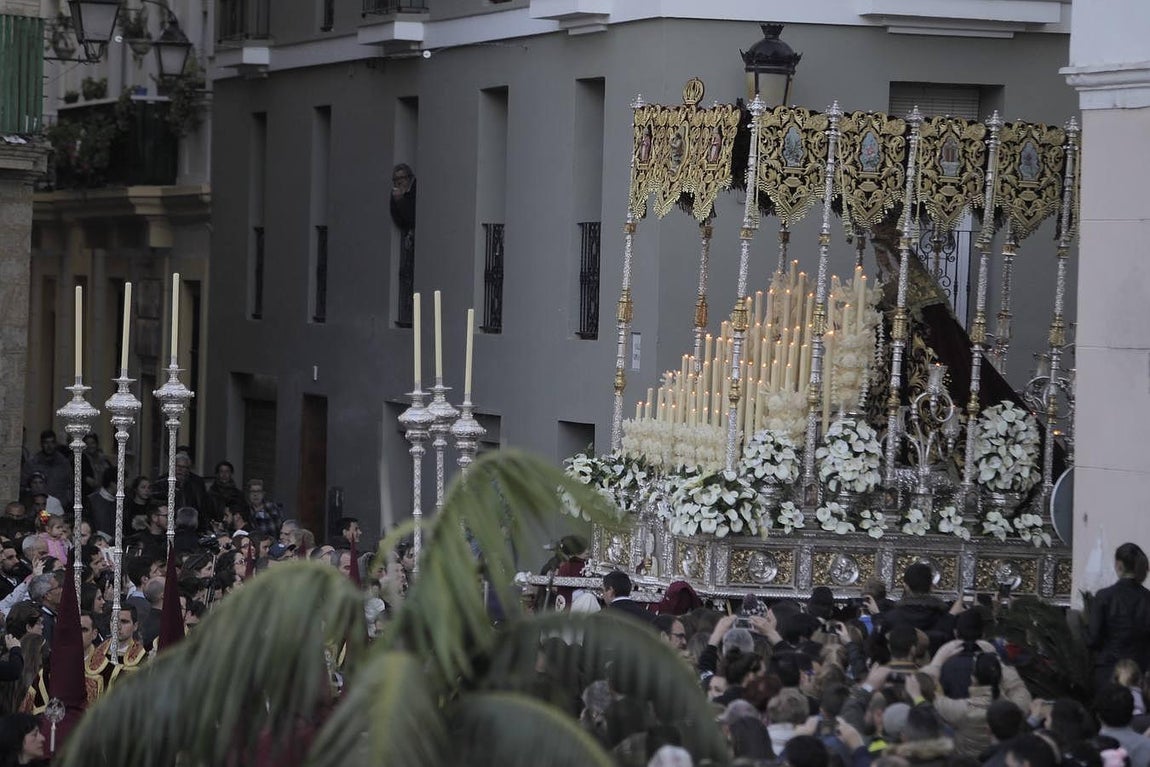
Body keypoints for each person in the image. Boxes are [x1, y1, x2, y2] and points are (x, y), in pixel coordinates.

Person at [1088, 543, 1150, 689]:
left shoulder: (1104, 596)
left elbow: (1093, 639)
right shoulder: (1147, 598)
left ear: (1118, 565)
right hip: (1140, 670)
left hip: (1109, 669)